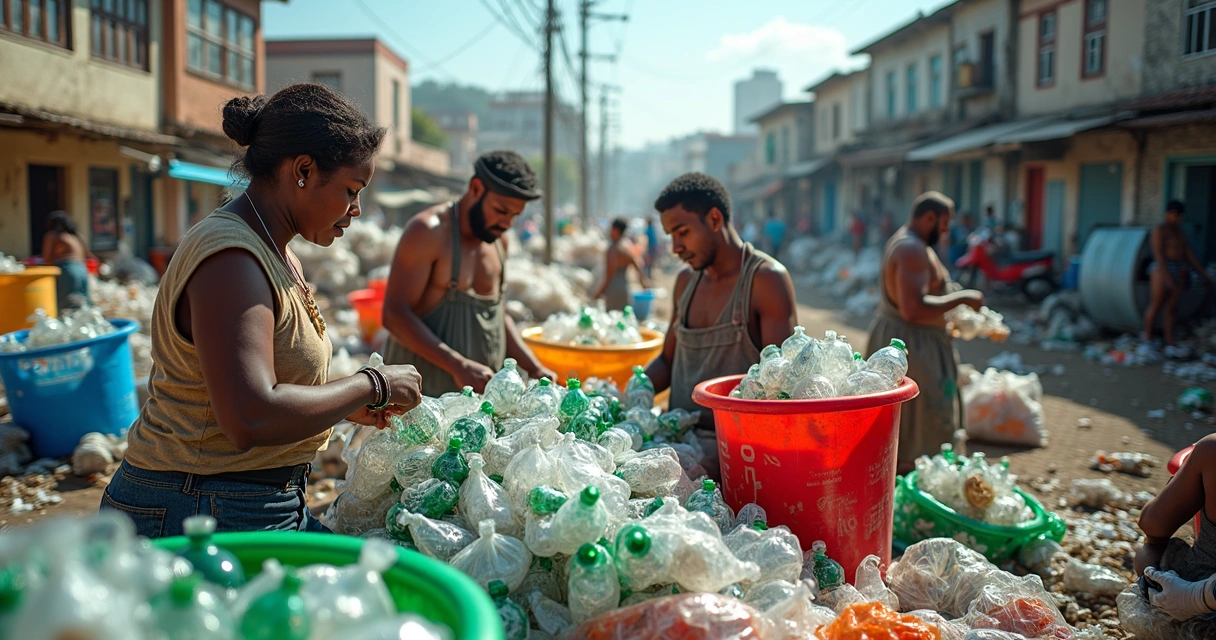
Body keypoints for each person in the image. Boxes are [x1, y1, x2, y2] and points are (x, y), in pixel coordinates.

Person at [102, 83, 422, 537]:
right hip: (195, 508)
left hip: (249, 500)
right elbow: (249, 415)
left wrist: (340, 405)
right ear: (304, 171)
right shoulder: (232, 259)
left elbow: (264, 382)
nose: (355, 210)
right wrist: (372, 384)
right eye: (351, 190)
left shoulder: (273, 250)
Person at [644, 173, 797, 479]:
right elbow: (668, 362)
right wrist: (630, 394)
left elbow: (782, 391)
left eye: (683, 232)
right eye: (669, 235)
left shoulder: (765, 281)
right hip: (675, 443)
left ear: (714, 219)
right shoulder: (686, 282)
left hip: (736, 452)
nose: (675, 247)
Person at [382, 151, 556, 397]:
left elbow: (497, 315)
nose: (506, 224)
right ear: (475, 188)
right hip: (421, 406)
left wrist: (535, 368)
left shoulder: (499, 242)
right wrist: (458, 365)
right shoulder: (429, 232)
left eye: (514, 216)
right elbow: (394, 315)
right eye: (500, 210)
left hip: (478, 408)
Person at [866, 192, 984, 475]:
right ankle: (914, 484)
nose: (946, 230)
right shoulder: (911, 249)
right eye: (944, 223)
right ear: (929, 217)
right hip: (914, 347)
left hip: (911, 341)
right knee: (920, 425)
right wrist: (964, 299)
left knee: (910, 424)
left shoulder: (912, 243)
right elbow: (913, 308)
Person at [1134, 433, 1216, 622]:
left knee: (1154, 545)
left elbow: (1152, 524)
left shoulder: (1212, 449)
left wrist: (1195, 598)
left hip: (1192, 609)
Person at [1144, 201, 1213, 353]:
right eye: (1176, 215)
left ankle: (1169, 342)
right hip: (1161, 269)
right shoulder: (1159, 230)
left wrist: (1203, 274)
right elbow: (1159, 255)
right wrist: (1167, 277)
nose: (1178, 219)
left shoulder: (1180, 232)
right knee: (1156, 304)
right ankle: (1147, 340)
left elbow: (1188, 255)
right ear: (1168, 214)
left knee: (1171, 307)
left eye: (1180, 216)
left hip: (1178, 268)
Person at [594, 218, 653, 311]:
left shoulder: (613, 248)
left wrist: (599, 292)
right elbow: (637, 263)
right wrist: (643, 280)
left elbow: (610, 273)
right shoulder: (627, 245)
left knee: (612, 319)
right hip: (625, 287)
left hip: (613, 289)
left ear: (616, 230)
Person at [41, 211, 90, 311]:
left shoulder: (53, 235)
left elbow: (47, 259)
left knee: (68, 306)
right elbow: (87, 254)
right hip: (82, 270)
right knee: (83, 304)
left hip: (67, 271)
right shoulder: (77, 236)